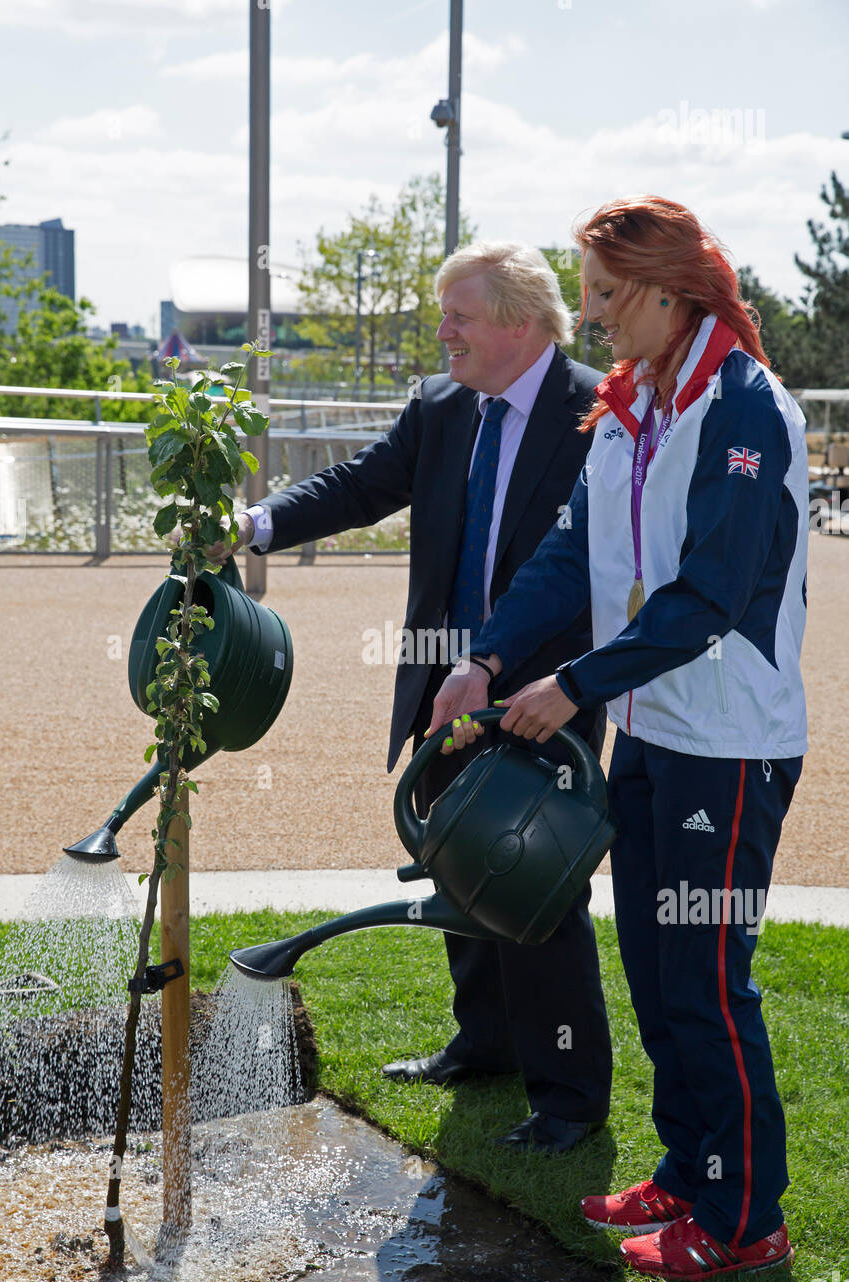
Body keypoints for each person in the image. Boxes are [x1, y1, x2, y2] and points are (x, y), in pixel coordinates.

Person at [427, 198, 808, 1280]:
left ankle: (741, 1221)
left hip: (727, 745)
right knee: (652, 969)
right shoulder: (634, 404)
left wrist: (573, 684)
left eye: (600, 294)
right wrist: (488, 656)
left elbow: (709, 596)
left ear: (660, 290)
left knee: (704, 980)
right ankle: (688, 1174)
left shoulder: (740, 408)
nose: (586, 315)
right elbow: (567, 552)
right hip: (647, 731)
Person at [212, 240, 613, 1154]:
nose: (444, 333)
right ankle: (486, 1043)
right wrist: (258, 524)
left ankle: (569, 1094)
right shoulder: (441, 408)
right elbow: (361, 485)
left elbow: (595, 560)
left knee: (536, 887)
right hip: (444, 683)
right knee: (455, 861)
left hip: (543, 691)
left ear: (517, 322)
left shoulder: (600, 408)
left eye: (458, 316)